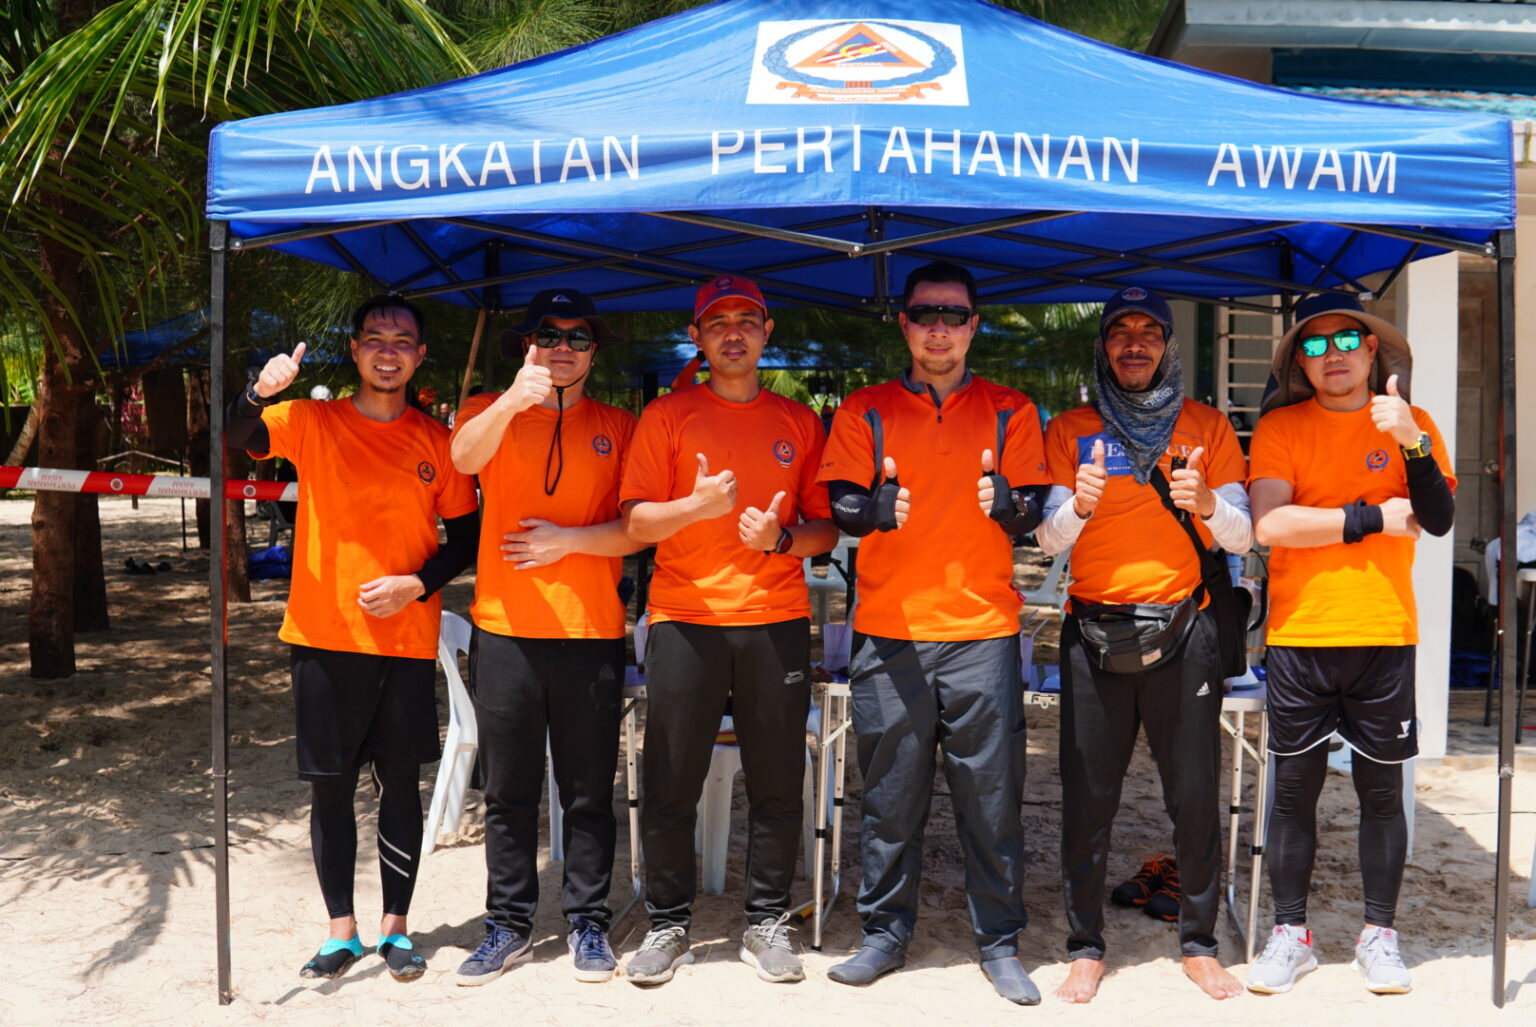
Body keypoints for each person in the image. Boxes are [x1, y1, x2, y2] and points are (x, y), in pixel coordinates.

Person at [816, 260, 1051, 1005]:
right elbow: (842, 503)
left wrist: (1009, 504)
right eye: (925, 314)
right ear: (905, 324)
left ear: (973, 325)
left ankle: (999, 941)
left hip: (982, 630)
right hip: (890, 631)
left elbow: (1031, 512)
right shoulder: (866, 409)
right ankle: (884, 935)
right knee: (890, 797)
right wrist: (873, 510)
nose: (939, 328)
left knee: (991, 796)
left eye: (954, 315)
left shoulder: (1012, 410)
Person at [225, 295, 479, 982]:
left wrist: (416, 584)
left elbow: (466, 539)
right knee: (331, 787)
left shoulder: (439, 442)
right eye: (375, 338)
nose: (388, 351)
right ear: (355, 349)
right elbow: (236, 435)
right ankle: (342, 931)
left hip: (404, 639)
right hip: (324, 633)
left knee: (400, 784)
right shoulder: (313, 421)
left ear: (420, 356)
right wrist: (257, 391)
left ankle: (396, 928)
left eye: (402, 341)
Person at [618, 273, 837, 987]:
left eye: (747, 319)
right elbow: (634, 522)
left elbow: (825, 529)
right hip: (686, 618)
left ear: (767, 333)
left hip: (775, 619)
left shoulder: (799, 421)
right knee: (670, 781)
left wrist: (781, 539)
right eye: (718, 322)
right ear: (697, 337)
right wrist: (695, 506)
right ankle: (668, 923)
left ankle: (766, 920)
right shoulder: (667, 415)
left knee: (777, 782)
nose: (733, 332)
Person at [1035, 285, 1251, 1003]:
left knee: (1194, 794)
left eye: (1149, 332)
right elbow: (1046, 540)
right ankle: (1085, 947)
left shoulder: (1207, 425)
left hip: (1185, 630)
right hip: (1092, 632)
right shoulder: (1070, 429)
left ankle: (1199, 944)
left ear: (1168, 345)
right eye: (1120, 331)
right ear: (1103, 346)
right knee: (1087, 797)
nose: (1135, 343)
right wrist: (1079, 504)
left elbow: (1244, 537)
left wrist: (1208, 503)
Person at [1246, 293, 1455, 996]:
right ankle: (1292, 934)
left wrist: (1411, 441)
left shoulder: (1412, 424)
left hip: (1383, 631)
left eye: (1344, 341)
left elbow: (1435, 518)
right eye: (1313, 345)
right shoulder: (1281, 426)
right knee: (1292, 793)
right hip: (1301, 632)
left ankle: (1379, 935)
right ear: (1299, 363)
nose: (1330, 355)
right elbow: (1271, 524)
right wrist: (1369, 517)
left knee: (1382, 794)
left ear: (1371, 349)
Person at [446, 289, 640, 986]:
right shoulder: (486, 408)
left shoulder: (619, 425)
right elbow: (463, 460)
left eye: (578, 337)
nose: (563, 347)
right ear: (527, 345)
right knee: (509, 791)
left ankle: (587, 921)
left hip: (589, 630)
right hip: (505, 630)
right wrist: (511, 399)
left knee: (587, 791)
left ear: (594, 352)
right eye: (549, 335)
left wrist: (569, 541)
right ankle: (508, 925)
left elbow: (637, 528)